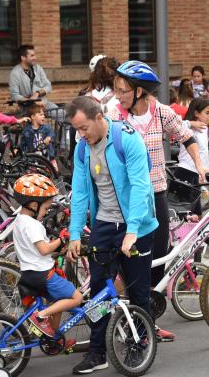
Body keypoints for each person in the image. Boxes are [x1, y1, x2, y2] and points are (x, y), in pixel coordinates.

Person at [109, 60, 209, 342]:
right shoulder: (115, 116)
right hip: (125, 199)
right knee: (127, 260)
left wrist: (200, 166)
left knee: (158, 257)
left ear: (139, 91)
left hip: (156, 195)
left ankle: (146, 321)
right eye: (117, 89)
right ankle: (125, 317)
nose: (118, 95)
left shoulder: (161, 113)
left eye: (123, 90)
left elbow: (187, 137)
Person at [66, 96, 158, 374]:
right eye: (76, 131)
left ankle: (141, 343)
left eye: (84, 128)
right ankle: (97, 352)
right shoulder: (82, 149)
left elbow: (142, 187)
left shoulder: (127, 140)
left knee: (138, 291)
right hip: (104, 225)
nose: (81, 136)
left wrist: (132, 232)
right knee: (98, 294)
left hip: (138, 226)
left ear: (98, 118)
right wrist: (74, 234)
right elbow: (80, 192)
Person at [12, 174, 82, 341]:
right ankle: (41, 316)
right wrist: (62, 239)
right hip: (44, 275)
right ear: (34, 205)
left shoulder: (19, 221)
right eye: (45, 209)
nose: (44, 213)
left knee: (57, 303)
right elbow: (44, 249)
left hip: (30, 274)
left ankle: (53, 340)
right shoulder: (32, 224)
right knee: (76, 298)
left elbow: (35, 251)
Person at [174, 98, 209, 215]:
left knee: (196, 215)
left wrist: (206, 169)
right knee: (187, 216)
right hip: (186, 172)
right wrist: (191, 123)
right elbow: (176, 125)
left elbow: (203, 152)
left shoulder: (204, 128)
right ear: (196, 113)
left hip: (197, 174)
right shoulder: (188, 127)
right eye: (207, 113)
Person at [9, 44, 57, 115]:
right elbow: (14, 96)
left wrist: (37, 93)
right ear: (23, 58)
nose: (35, 58)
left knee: (63, 115)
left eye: (34, 55)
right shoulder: (15, 73)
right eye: (32, 56)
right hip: (26, 108)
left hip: (43, 104)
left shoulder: (38, 68)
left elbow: (48, 86)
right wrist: (32, 101)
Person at [19, 103, 58, 171]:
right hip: (33, 160)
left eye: (43, 114)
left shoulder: (46, 127)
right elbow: (23, 143)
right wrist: (17, 150)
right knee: (34, 176)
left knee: (52, 175)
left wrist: (49, 137)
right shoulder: (27, 130)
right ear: (33, 117)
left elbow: (52, 134)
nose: (44, 116)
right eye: (41, 114)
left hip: (47, 158)